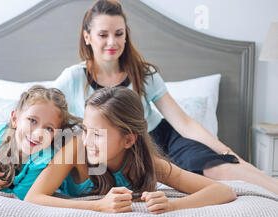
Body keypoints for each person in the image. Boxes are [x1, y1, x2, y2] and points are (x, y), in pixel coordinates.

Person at [52, 0, 278, 195]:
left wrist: (227, 152)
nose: (112, 42)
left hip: (162, 138)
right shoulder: (72, 79)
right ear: (87, 37)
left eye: (119, 34)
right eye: (103, 35)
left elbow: (184, 123)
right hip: (118, 147)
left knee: (222, 168)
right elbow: (40, 114)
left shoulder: (143, 73)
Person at [25, 87, 237, 213]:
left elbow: (223, 191)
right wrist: (99, 206)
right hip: (26, 162)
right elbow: (33, 197)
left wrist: (174, 206)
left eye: (97, 134)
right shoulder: (76, 147)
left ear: (128, 140)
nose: (87, 140)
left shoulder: (147, 164)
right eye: (86, 130)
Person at [0, 85, 81, 200]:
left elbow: (18, 197)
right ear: (15, 119)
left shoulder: (43, 159)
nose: (38, 133)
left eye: (49, 128)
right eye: (32, 120)